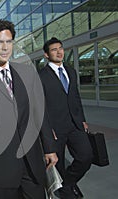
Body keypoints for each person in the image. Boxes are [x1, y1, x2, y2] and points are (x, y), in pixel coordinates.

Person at [0, 19, 58, 199]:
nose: (5, 48)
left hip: (32, 163)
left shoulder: (28, 73)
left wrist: (49, 148)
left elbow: (40, 112)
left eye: (9, 42)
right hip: (0, 168)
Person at [39, 37, 93, 199]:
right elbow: (40, 106)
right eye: (54, 49)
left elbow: (75, 97)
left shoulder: (71, 72)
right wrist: (48, 131)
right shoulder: (40, 76)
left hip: (75, 125)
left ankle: (67, 184)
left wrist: (82, 119)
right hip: (55, 129)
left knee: (86, 157)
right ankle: (67, 193)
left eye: (60, 48)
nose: (59, 51)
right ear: (46, 55)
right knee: (59, 164)